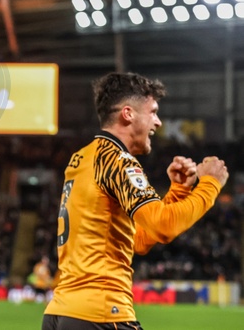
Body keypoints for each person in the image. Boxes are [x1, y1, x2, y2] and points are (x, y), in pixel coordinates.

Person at [42, 72, 229, 330]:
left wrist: (177, 192)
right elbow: (163, 227)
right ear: (128, 114)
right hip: (102, 312)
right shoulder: (118, 161)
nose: (158, 122)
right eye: (153, 112)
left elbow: (136, 240)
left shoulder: (83, 158)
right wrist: (210, 184)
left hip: (61, 312)